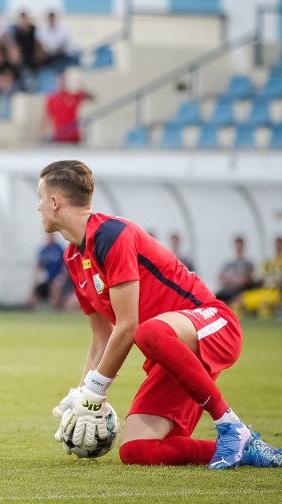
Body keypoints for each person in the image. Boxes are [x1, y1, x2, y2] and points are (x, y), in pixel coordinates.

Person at [38, 160, 282, 468]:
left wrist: (95, 392)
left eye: (40, 198)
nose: (38, 206)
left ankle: (232, 427)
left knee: (147, 331)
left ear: (55, 201)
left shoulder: (111, 234)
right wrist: (81, 395)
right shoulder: (73, 256)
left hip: (213, 322)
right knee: (138, 451)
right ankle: (247, 451)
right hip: (170, 352)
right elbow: (101, 336)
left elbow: (128, 326)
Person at [238, 236, 282, 318]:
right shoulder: (269, 262)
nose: (278, 247)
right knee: (239, 300)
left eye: (280, 245)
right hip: (264, 290)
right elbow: (258, 276)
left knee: (263, 307)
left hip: (275, 292)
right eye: (277, 245)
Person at [43, 73, 92, 144]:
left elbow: (92, 98)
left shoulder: (73, 96)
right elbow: (47, 117)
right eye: (59, 81)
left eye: (63, 81)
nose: (62, 83)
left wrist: (83, 89)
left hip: (74, 138)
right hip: (59, 137)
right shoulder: (51, 98)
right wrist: (47, 133)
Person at [215, 236, 256, 305]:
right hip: (228, 289)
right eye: (237, 246)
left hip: (240, 290)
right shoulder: (229, 263)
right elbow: (219, 277)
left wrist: (230, 279)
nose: (238, 248)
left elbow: (245, 280)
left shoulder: (248, 263)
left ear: (243, 247)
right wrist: (234, 280)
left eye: (240, 246)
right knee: (216, 297)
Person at [29, 233, 65, 309]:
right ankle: (32, 310)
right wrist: (36, 277)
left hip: (57, 279)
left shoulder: (60, 249)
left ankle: (54, 310)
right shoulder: (43, 250)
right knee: (34, 289)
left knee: (55, 288)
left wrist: (61, 277)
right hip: (46, 279)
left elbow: (64, 266)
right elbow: (38, 265)